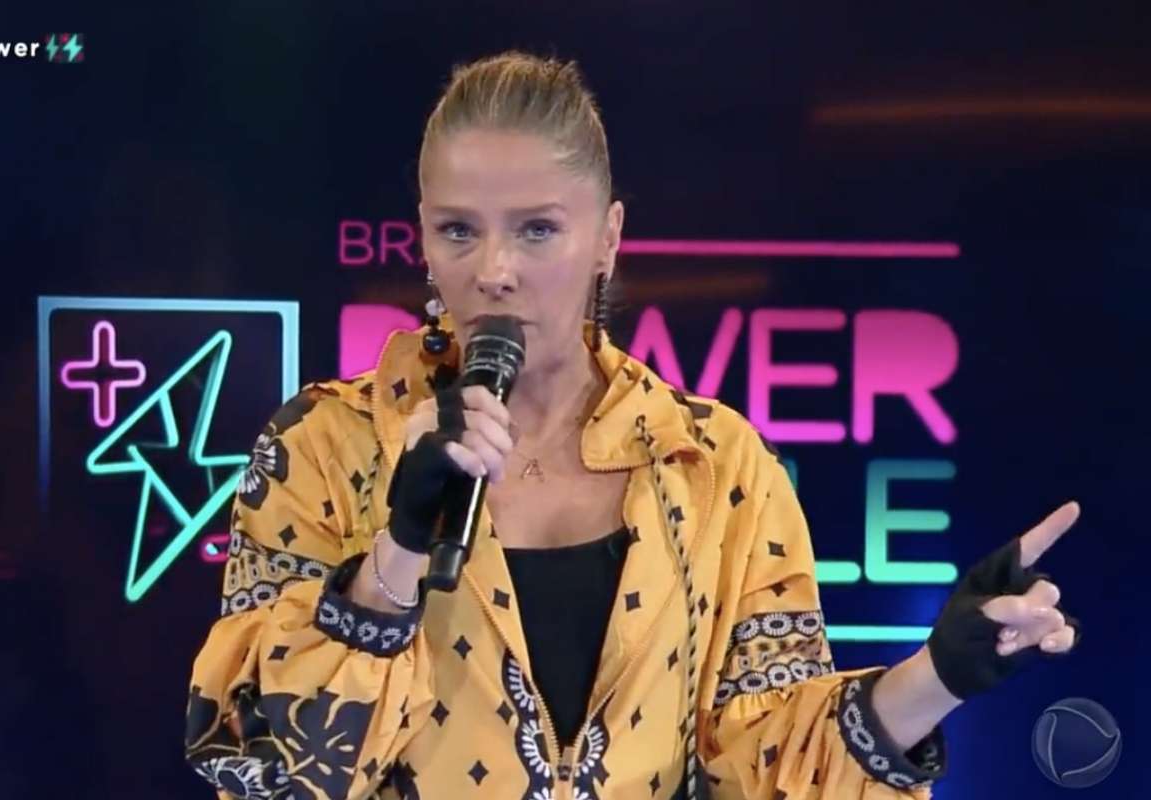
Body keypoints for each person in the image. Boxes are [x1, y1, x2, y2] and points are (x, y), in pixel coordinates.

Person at [184, 51, 1081, 800]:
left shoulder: (714, 464)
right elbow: (268, 775)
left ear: (608, 238)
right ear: (421, 237)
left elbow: (769, 767)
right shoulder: (321, 448)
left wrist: (939, 676)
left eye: (537, 230)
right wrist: (399, 553)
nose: (494, 270)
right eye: (459, 230)